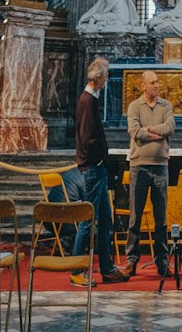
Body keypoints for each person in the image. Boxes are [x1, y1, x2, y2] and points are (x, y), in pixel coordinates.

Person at [71, 56, 130, 285]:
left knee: (105, 219)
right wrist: (99, 159)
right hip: (93, 168)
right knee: (88, 220)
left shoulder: (91, 99)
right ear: (99, 78)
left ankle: (106, 268)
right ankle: (76, 271)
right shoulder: (86, 101)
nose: (107, 80)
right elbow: (87, 139)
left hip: (98, 167)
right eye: (105, 76)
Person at [125, 69, 176, 277]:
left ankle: (162, 260)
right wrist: (157, 133)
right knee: (135, 217)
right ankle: (131, 259)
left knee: (160, 217)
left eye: (157, 82)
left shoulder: (166, 105)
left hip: (160, 166)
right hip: (139, 166)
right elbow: (135, 132)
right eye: (152, 83)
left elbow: (170, 127)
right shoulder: (134, 106)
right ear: (143, 85)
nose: (156, 85)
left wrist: (149, 131)